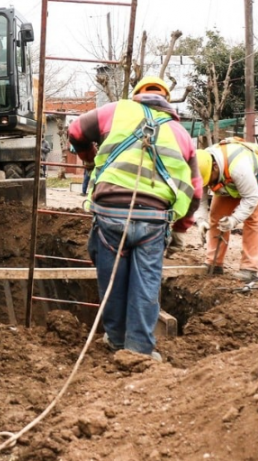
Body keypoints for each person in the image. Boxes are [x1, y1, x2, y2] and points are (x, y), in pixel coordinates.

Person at [68, 76, 202, 360]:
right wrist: (180, 227)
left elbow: (76, 130)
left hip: (110, 213)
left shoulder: (116, 110)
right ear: (166, 99)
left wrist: (89, 158)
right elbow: (195, 192)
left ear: (137, 94)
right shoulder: (181, 134)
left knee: (112, 282)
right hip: (154, 219)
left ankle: (115, 341)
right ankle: (139, 350)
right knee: (146, 285)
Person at [195, 138, 258, 281]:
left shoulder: (239, 168)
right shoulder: (202, 165)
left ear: (215, 167)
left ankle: (249, 268)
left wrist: (234, 220)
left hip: (257, 182)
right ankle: (214, 263)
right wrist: (201, 220)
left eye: (210, 180)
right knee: (216, 218)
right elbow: (199, 198)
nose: (209, 184)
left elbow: (251, 198)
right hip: (228, 183)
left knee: (253, 222)